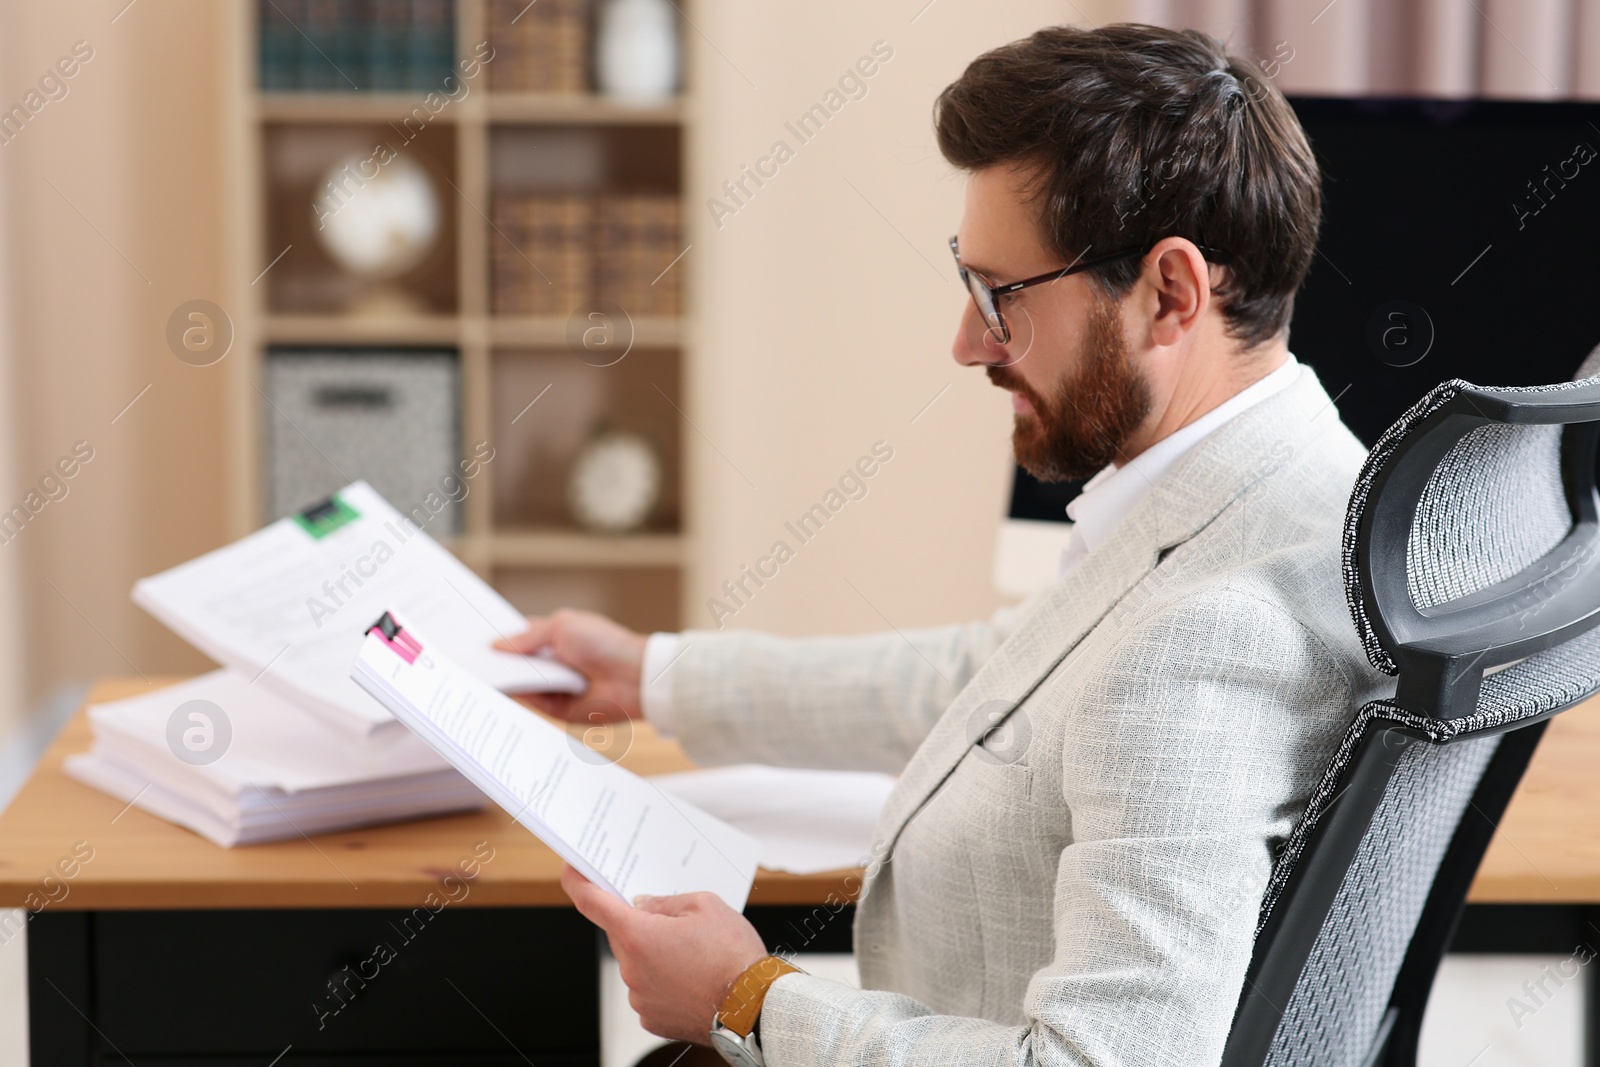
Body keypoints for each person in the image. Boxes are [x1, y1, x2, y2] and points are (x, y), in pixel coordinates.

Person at [499, 23, 1392, 1067]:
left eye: (999, 295)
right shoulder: (1277, 488)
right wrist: (655, 675)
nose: (967, 342)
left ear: (1171, 293)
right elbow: (991, 683)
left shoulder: (1202, 633)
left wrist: (749, 997)